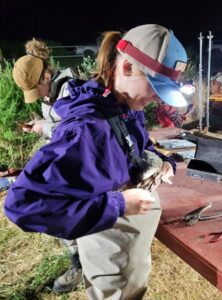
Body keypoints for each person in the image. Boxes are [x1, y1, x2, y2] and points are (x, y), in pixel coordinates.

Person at [4, 24, 189, 299]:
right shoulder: (88, 130)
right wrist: (120, 203)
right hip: (112, 259)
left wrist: (162, 163)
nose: (157, 99)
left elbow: (140, 147)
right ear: (126, 68)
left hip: (130, 256)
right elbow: (22, 204)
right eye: (155, 87)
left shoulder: (124, 106)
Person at [12, 38, 83, 292]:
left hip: (81, 165)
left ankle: (83, 266)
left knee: (61, 209)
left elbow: (82, 130)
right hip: (64, 163)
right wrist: (41, 128)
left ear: (46, 76)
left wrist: (49, 127)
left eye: (36, 88)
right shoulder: (49, 94)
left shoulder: (72, 90)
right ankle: (79, 260)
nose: (37, 96)